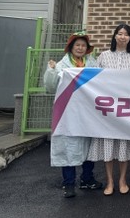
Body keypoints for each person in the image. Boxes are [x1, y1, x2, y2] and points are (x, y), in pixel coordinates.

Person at [87, 24, 130, 196]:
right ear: (114, 36)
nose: (122, 37)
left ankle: (122, 180)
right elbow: (94, 79)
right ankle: (110, 181)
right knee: (108, 143)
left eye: (126, 34)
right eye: (119, 33)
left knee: (123, 144)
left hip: (127, 108)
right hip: (107, 108)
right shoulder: (104, 56)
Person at [44, 32, 102, 198]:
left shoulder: (93, 64)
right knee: (68, 145)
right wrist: (52, 71)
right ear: (71, 47)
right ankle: (68, 183)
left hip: (88, 112)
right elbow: (50, 88)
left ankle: (87, 179)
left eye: (83, 45)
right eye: (77, 45)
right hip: (67, 113)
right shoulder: (62, 66)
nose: (80, 48)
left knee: (88, 145)